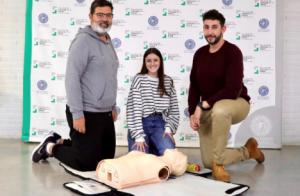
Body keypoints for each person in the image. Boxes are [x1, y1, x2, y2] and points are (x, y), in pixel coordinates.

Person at [32, 0, 119, 171]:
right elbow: (72, 78)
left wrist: (112, 105)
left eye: (108, 15)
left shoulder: (108, 41)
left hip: (105, 113)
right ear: (90, 16)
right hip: (86, 112)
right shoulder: (83, 42)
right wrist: (77, 113)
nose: (104, 19)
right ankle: (50, 147)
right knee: (86, 163)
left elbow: (109, 77)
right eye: (100, 14)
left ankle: (62, 141)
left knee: (106, 159)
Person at [188, 9, 265, 182]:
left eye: (214, 27)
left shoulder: (232, 52)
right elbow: (194, 85)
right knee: (209, 162)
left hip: (236, 102)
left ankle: (220, 167)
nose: (210, 32)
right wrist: (193, 112)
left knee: (220, 109)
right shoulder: (199, 54)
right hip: (209, 108)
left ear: (223, 29)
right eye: (206, 27)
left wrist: (202, 105)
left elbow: (232, 89)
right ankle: (249, 151)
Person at [126, 48, 180, 156]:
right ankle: (150, 151)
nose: (152, 63)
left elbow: (174, 109)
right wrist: (138, 136)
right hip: (141, 123)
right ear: (144, 62)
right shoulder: (139, 79)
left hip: (160, 124)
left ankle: (155, 152)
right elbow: (133, 109)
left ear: (160, 61)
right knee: (139, 159)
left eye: (155, 60)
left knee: (170, 155)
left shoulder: (168, 81)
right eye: (148, 60)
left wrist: (169, 129)